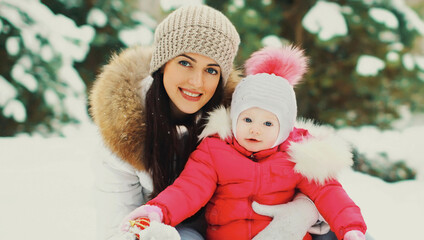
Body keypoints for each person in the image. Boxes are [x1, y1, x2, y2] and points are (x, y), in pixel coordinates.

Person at [90, 4, 335, 240]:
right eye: (185, 63)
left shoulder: (240, 117)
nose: (197, 82)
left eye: (211, 70)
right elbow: (116, 228)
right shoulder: (123, 132)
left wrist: (305, 209)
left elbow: (300, 158)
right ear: (163, 64)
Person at [120, 45, 367, 240]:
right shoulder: (215, 150)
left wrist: (352, 229)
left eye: (268, 124)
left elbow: (330, 193)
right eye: (247, 118)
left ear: (285, 128)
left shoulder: (299, 154)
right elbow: (188, 189)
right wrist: (157, 210)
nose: (255, 129)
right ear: (234, 116)